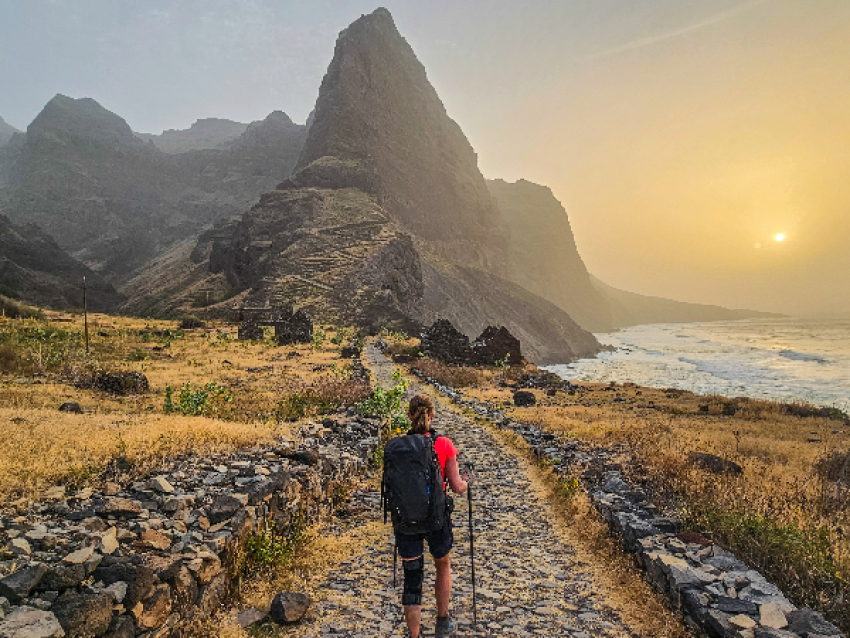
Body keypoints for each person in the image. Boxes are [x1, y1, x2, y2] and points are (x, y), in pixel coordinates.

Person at [395, 394, 474, 638]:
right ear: (432, 416)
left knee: (412, 575)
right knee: (442, 564)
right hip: (437, 517)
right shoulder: (444, 444)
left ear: (409, 416)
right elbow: (457, 486)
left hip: (406, 519)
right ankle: (442, 620)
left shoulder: (397, 447)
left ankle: (414, 634)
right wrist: (468, 481)